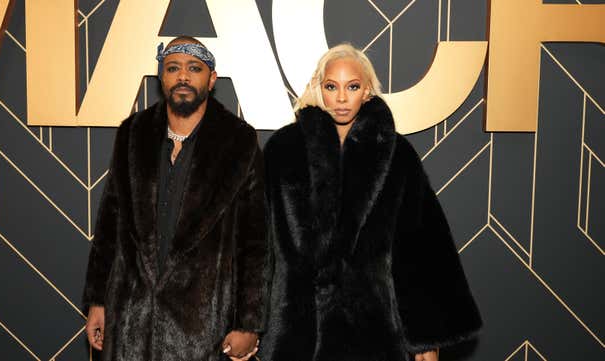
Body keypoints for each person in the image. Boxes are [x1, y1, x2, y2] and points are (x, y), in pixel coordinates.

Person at [260, 44, 482, 361]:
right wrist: (249, 325)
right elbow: (258, 244)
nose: (340, 98)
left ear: (367, 91)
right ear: (317, 88)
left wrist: (427, 339)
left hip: (372, 331)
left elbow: (422, 249)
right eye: (331, 86)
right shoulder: (283, 152)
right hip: (295, 331)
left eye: (352, 86)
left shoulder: (396, 155)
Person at [82, 36, 269, 361]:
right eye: (173, 68)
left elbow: (256, 242)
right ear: (161, 77)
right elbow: (110, 220)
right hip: (131, 321)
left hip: (202, 328)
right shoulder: (133, 133)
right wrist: (98, 299)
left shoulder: (238, 142)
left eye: (194, 68)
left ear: (211, 79)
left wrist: (249, 322)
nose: (183, 76)